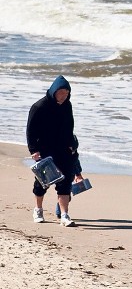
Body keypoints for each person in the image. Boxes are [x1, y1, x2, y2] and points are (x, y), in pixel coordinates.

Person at [26, 75, 85, 227]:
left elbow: (70, 125)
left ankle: (64, 215)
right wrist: (33, 149)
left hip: (63, 149)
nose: (64, 96)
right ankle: (38, 210)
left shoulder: (67, 105)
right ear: (54, 91)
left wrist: (72, 145)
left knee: (65, 182)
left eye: (67, 93)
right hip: (45, 149)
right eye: (61, 93)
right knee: (42, 184)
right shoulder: (39, 107)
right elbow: (30, 131)